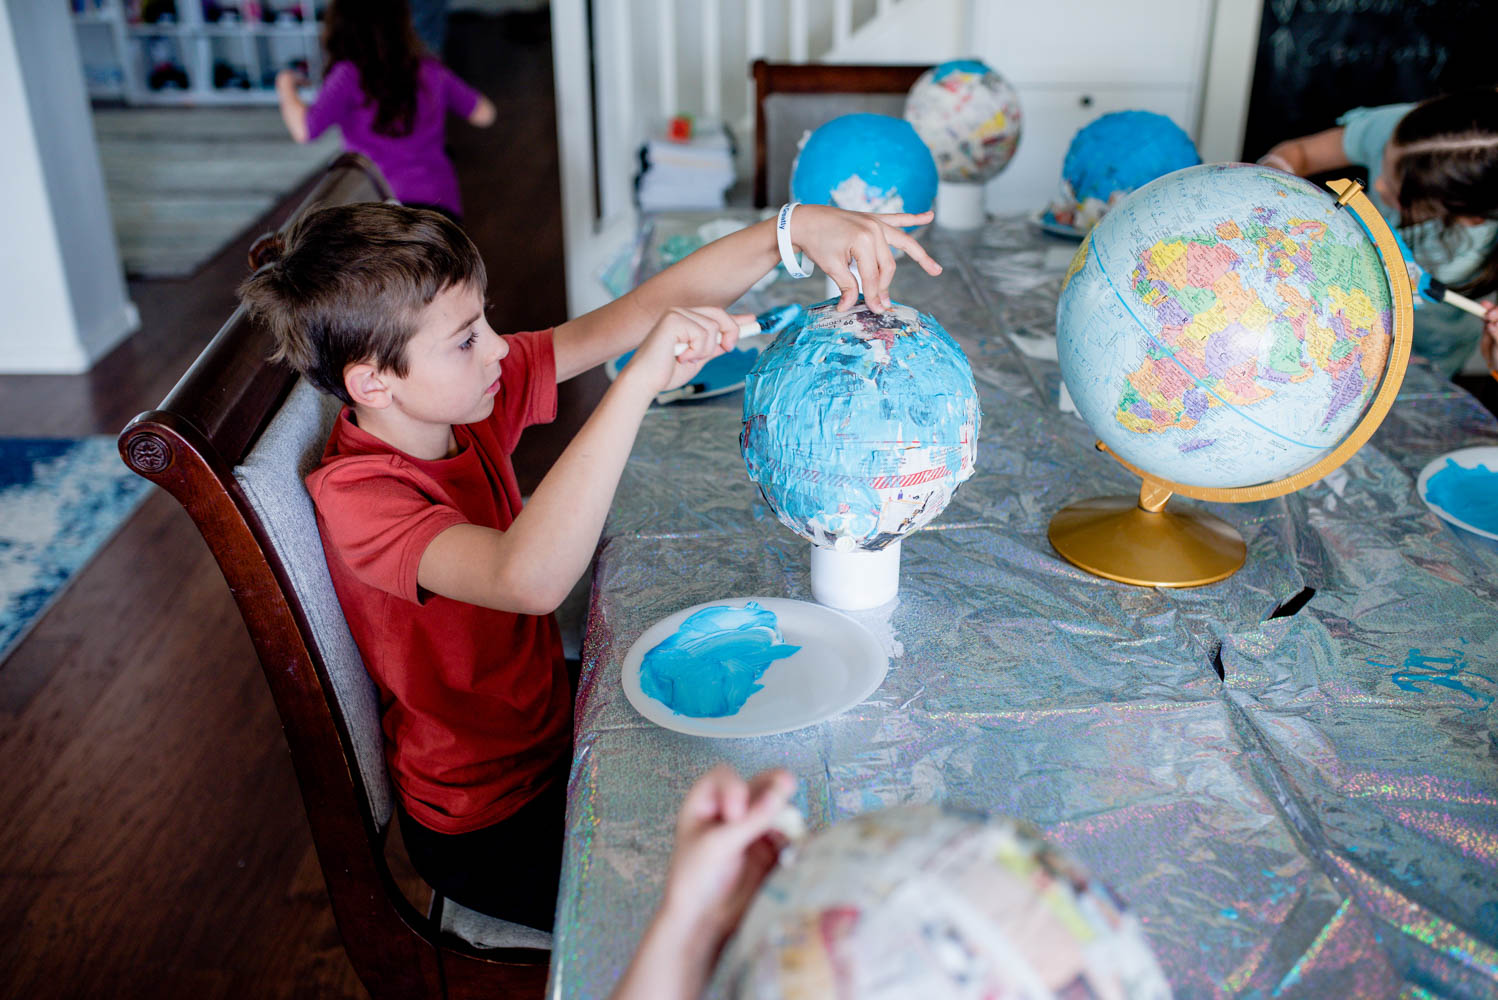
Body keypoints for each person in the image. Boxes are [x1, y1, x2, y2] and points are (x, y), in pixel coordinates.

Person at [236, 200, 940, 930]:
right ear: (372, 384)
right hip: (490, 822)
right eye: (466, 339)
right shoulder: (359, 499)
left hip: (555, 731)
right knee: (740, 918)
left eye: (488, 321)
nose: (499, 351)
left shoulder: (452, 406)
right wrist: (637, 381)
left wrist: (786, 234)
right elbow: (529, 579)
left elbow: (638, 311)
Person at [1259, 88, 1498, 378]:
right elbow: (1299, 153)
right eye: (1383, 160)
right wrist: (1269, 182)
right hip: (1332, 320)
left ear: (1468, 217)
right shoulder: (1409, 132)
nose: (1379, 187)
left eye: (1397, 195)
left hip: (1426, 350)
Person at [273, 0, 496, 221]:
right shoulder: (428, 69)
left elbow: (305, 130)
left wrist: (285, 85)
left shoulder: (348, 74)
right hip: (438, 205)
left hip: (376, 208)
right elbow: (485, 114)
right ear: (403, 25)